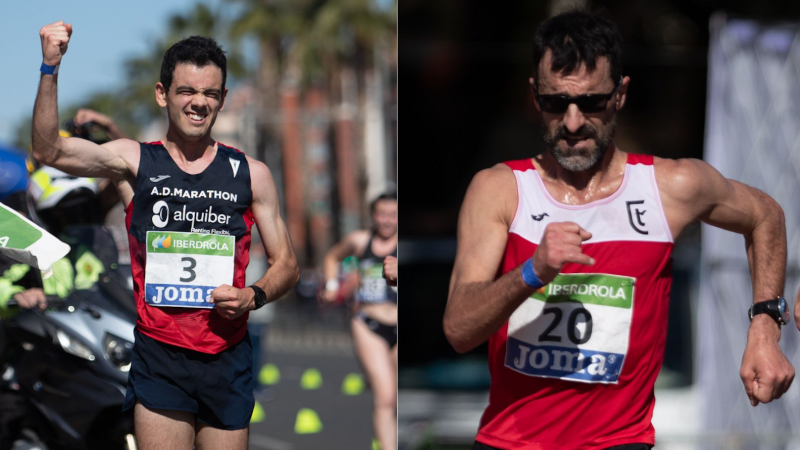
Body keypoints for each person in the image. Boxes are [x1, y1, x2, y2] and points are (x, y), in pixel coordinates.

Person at [443, 10, 794, 450]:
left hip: (618, 442)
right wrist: (532, 272)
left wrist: (765, 326)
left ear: (620, 95)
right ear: (535, 97)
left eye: (591, 102)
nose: (572, 123)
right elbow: (458, 328)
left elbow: (765, 214)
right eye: (556, 103)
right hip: (509, 442)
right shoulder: (500, 190)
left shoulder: (670, 187)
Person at [32, 21, 299, 450]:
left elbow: (287, 263)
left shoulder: (252, 175)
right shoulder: (134, 161)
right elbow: (49, 151)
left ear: (223, 99)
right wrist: (50, 68)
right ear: (163, 94)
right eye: (187, 92)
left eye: (210, 94)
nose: (199, 103)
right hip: (161, 356)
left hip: (227, 357)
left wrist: (255, 295)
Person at [321, 192, 397, 450]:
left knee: (399, 395)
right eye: (382, 214)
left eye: (393, 215)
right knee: (385, 397)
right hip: (369, 324)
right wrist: (332, 286)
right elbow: (332, 257)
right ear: (373, 215)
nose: (387, 221)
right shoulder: (360, 240)